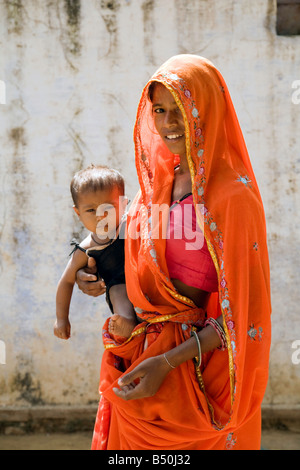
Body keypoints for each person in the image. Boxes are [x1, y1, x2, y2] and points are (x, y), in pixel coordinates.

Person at [78, 55, 271, 450]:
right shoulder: (157, 185)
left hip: (191, 377)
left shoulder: (233, 199)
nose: (168, 124)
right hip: (137, 360)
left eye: (180, 108)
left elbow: (243, 316)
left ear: (207, 110)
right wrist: (94, 274)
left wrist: (168, 361)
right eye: (160, 110)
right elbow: (124, 251)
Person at [54, 164, 137, 341]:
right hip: (120, 284)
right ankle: (126, 321)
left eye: (108, 208)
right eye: (91, 210)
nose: (100, 216)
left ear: (123, 205)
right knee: (117, 292)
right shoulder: (87, 249)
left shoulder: (132, 224)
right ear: (78, 213)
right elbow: (66, 282)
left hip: (145, 279)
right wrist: (61, 319)